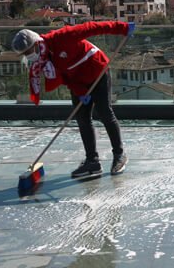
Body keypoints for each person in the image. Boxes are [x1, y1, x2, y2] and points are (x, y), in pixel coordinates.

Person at [12, 21, 136, 178]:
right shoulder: (42, 60)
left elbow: (93, 27)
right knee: (82, 118)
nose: (28, 56)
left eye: (28, 51)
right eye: (24, 54)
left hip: (97, 70)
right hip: (78, 80)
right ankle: (92, 162)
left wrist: (122, 28)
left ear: (36, 43)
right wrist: (79, 91)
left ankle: (119, 155)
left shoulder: (62, 37)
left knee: (104, 112)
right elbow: (63, 77)